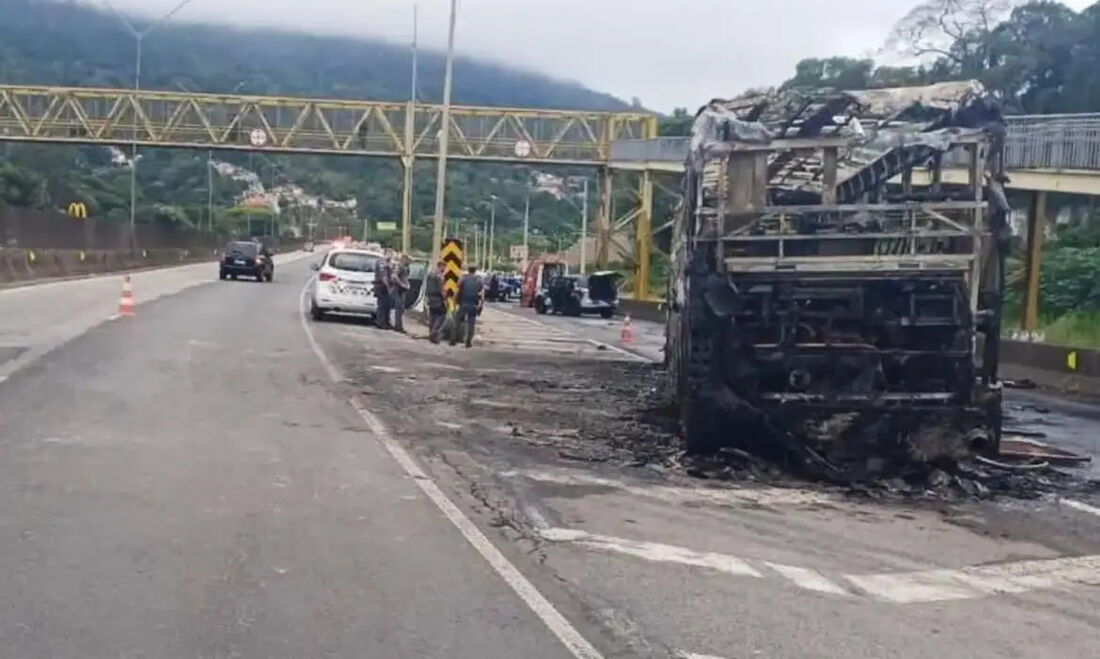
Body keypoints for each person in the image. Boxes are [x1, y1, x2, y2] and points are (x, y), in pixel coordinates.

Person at [450, 265, 484, 349]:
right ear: (475, 270)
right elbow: (482, 295)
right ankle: (468, 342)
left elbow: (457, 291)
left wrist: (453, 302)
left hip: (463, 304)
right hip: (473, 305)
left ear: (468, 270)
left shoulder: (463, 278)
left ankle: (453, 340)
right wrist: (480, 306)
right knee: (471, 324)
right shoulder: (479, 280)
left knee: (457, 322)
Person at [425, 260, 448, 344]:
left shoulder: (430, 274)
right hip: (438, 299)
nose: (445, 269)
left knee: (432, 316)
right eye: (444, 267)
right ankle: (434, 333)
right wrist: (445, 300)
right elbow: (442, 290)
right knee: (442, 315)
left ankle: (431, 332)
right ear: (441, 266)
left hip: (430, 298)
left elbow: (426, 286)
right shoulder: (440, 276)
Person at [390, 253, 411, 333]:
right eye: (408, 259)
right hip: (398, 289)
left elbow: (405, 278)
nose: (409, 261)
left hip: (402, 289)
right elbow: (394, 276)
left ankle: (398, 325)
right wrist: (401, 284)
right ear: (403, 259)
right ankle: (398, 326)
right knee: (399, 308)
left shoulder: (406, 267)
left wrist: (407, 284)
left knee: (401, 308)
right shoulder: (400, 266)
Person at [375, 252, 393, 329]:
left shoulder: (388, 263)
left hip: (385, 286)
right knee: (382, 305)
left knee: (387, 305)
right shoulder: (381, 263)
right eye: (390, 254)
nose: (391, 256)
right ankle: (381, 322)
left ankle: (386, 321)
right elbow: (383, 277)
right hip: (382, 286)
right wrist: (389, 287)